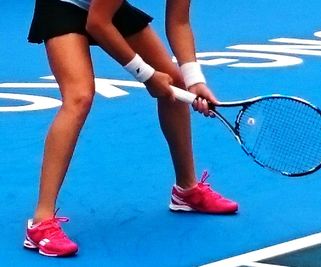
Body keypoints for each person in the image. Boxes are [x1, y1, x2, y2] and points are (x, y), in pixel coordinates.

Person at [24, 0, 238, 257]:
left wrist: (194, 81)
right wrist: (147, 75)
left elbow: (179, 21)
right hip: (65, 3)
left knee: (177, 83)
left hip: (103, 6)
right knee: (79, 97)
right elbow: (97, 23)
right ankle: (41, 221)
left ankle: (187, 190)